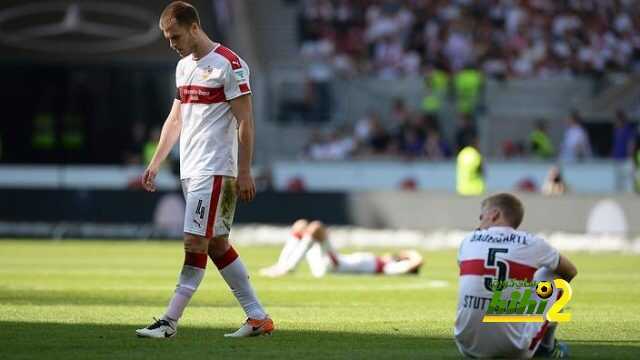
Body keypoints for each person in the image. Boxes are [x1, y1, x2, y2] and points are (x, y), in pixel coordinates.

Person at [136, 2, 273, 339]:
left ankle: (169, 321)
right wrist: (156, 162)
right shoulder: (184, 68)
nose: (172, 43)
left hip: (215, 170)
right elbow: (176, 119)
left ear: (194, 27)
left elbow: (246, 122)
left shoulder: (230, 64)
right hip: (191, 170)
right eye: (168, 38)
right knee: (217, 245)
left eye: (175, 36)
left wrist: (244, 171)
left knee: (195, 241)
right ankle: (257, 317)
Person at [454, 193, 577, 358]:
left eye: (482, 216)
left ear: (495, 214)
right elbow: (570, 271)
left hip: (467, 346)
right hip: (513, 348)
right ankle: (547, 347)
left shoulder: (468, 240)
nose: (480, 221)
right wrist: (534, 297)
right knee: (554, 277)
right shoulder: (532, 243)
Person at [259, 219, 424, 278]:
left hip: (333, 266)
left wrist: (407, 254)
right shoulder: (380, 260)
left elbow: (417, 262)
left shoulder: (389, 267)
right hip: (329, 263)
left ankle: (289, 268)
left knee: (316, 227)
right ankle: (281, 265)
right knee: (301, 225)